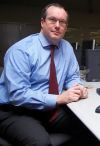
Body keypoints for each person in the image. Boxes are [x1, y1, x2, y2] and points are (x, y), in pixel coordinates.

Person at [0, 3, 94, 146]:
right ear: (42, 22)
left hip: (49, 109)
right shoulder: (21, 50)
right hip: (16, 111)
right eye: (52, 20)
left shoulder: (66, 48)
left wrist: (77, 88)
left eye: (62, 22)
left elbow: (72, 76)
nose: (57, 25)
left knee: (90, 127)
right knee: (40, 143)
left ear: (66, 27)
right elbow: (18, 94)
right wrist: (59, 98)